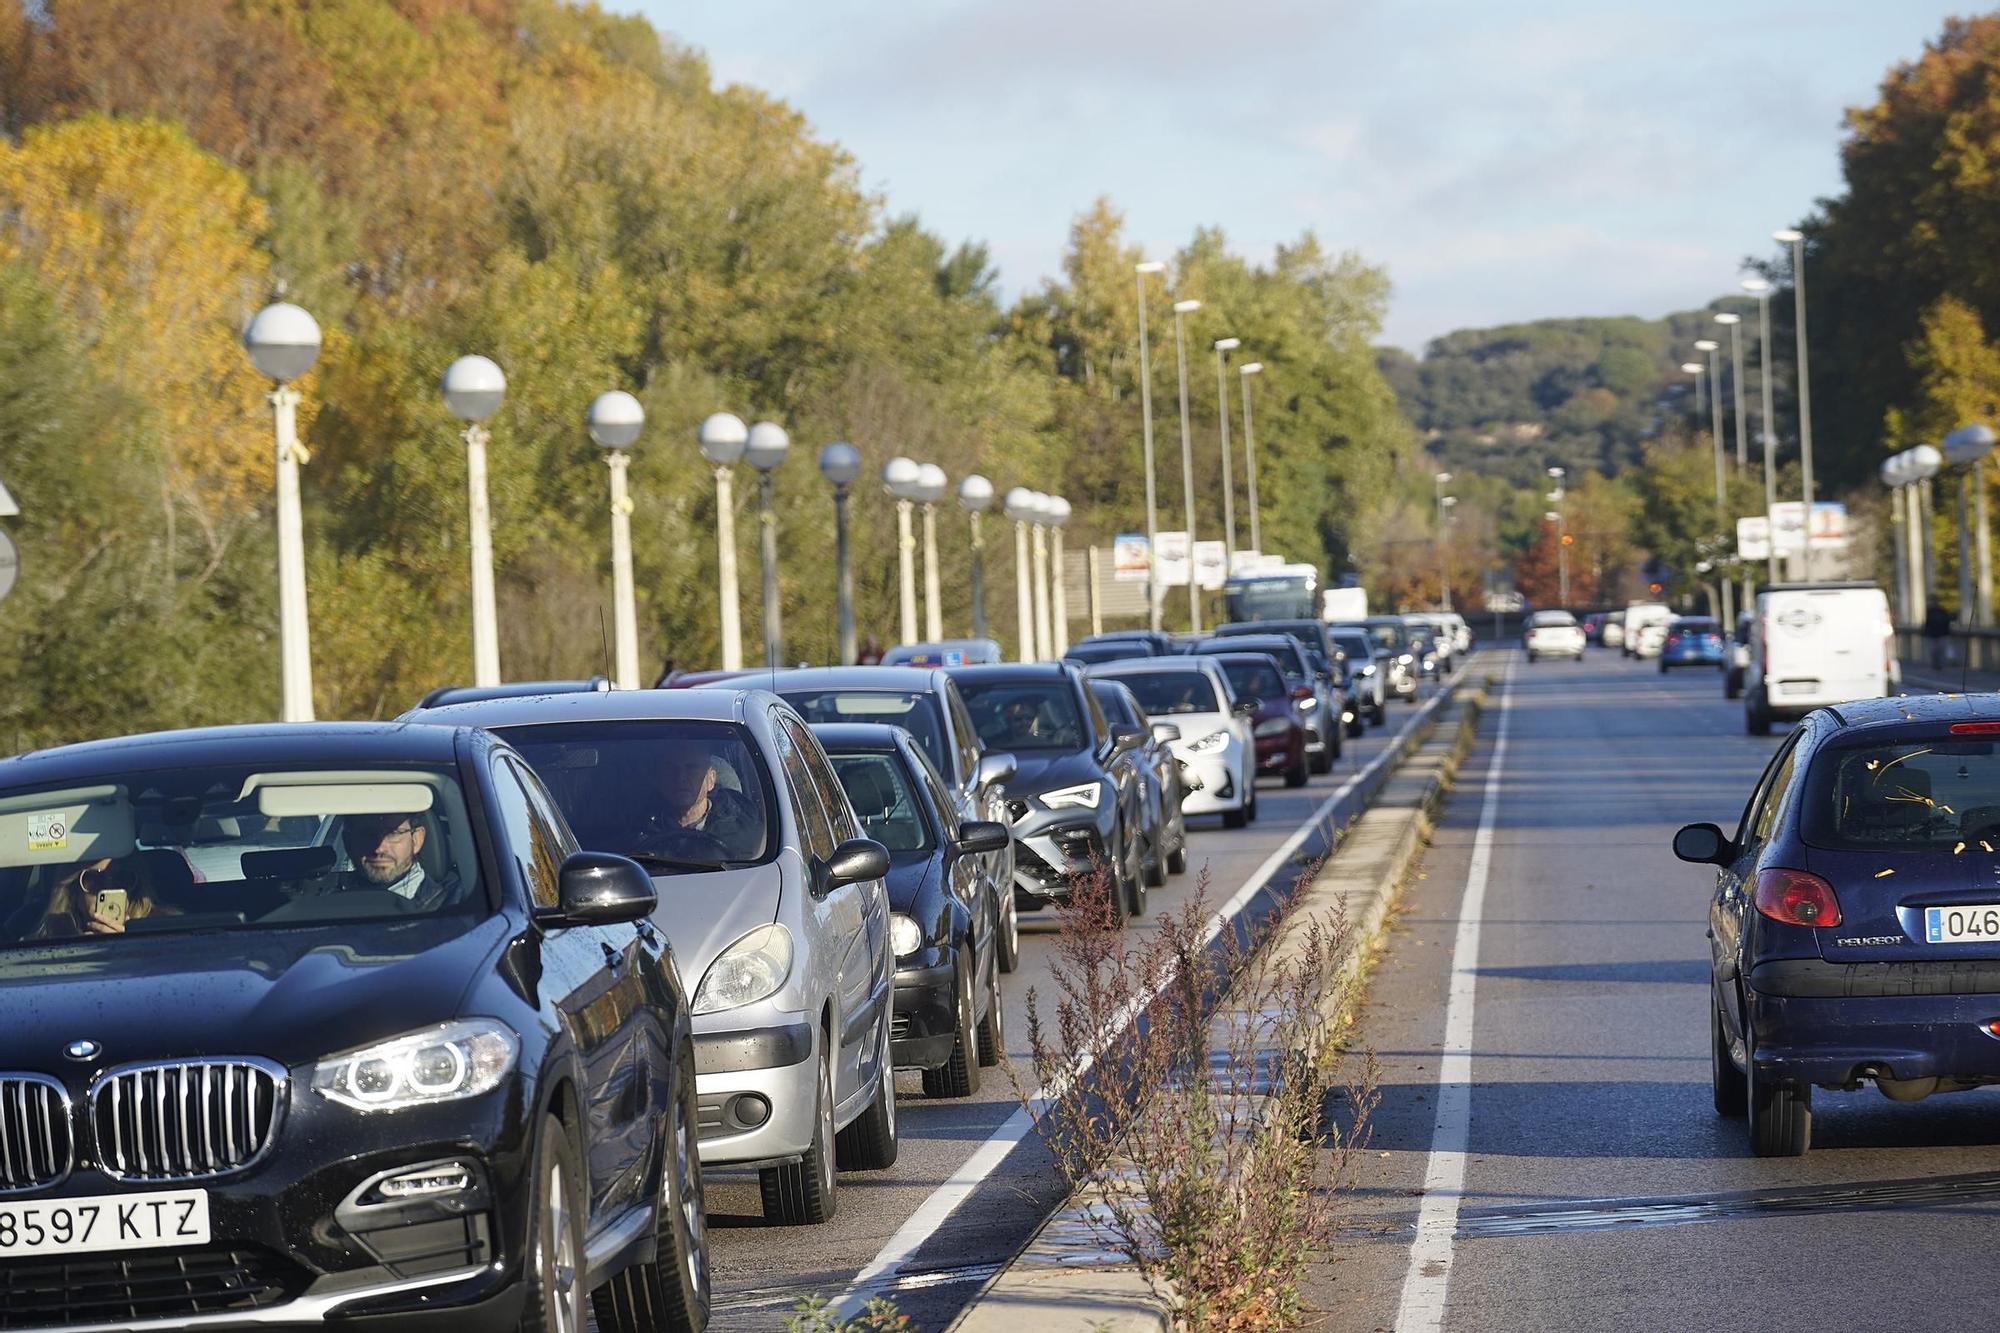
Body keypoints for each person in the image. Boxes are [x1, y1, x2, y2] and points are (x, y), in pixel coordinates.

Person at [637, 750, 764, 861]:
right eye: (671, 769)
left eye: (691, 768)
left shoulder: (744, 829)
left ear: (711, 779)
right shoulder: (638, 828)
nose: (681, 778)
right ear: (660, 779)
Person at [32, 856, 167, 939]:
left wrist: (128, 947)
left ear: (135, 886)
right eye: (94, 879)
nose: (108, 887)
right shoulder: (45, 944)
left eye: (122, 878)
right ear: (73, 889)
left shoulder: (166, 931)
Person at [336, 812, 447, 908]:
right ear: (348, 843)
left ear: (416, 840)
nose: (379, 848)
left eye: (393, 833)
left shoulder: (448, 909)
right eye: (367, 834)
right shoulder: (328, 902)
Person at [1925, 602, 1955, 670]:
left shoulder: (1931, 612)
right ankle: (1940, 663)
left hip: (1934, 634)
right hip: (1942, 634)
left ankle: (1936, 663)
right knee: (1941, 650)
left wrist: (1926, 632)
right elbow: (1947, 622)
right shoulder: (1943, 612)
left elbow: (1927, 624)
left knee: (1934, 650)